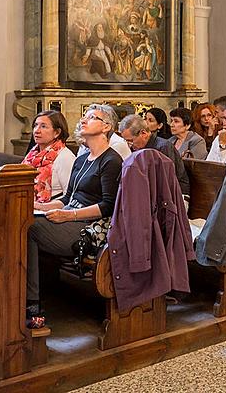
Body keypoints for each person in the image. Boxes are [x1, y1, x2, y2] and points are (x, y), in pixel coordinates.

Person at [26, 105, 123, 328]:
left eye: (92, 117)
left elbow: (108, 206)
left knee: (29, 229)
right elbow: (67, 197)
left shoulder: (111, 161)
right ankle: (21, 293)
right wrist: (38, 205)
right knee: (22, 218)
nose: (84, 120)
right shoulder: (82, 158)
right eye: (85, 116)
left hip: (89, 226)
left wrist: (69, 215)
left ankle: (32, 305)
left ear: (106, 127)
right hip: (70, 214)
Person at [119, 114, 190, 196]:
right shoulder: (136, 148)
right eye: (126, 141)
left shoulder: (163, 147)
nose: (129, 145)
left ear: (144, 133)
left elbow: (167, 181)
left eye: (131, 141)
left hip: (175, 195)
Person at [22, 110, 76, 203]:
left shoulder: (65, 157)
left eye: (43, 126)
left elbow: (70, 196)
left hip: (49, 210)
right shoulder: (32, 155)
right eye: (35, 125)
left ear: (57, 132)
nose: (37, 131)